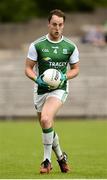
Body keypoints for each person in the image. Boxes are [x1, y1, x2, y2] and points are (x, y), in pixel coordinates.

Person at [25, 9, 79, 174]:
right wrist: (37, 79)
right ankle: (62, 157)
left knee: (47, 118)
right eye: (54, 24)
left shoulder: (70, 46)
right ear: (49, 24)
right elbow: (28, 68)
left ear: (64, 25)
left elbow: (75, 69)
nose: (57, 28)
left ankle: (46, 161)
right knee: (45, 124)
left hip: (59, 89)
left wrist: (64, 77)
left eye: (60, 25)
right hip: (40, 90)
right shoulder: (37, 45)